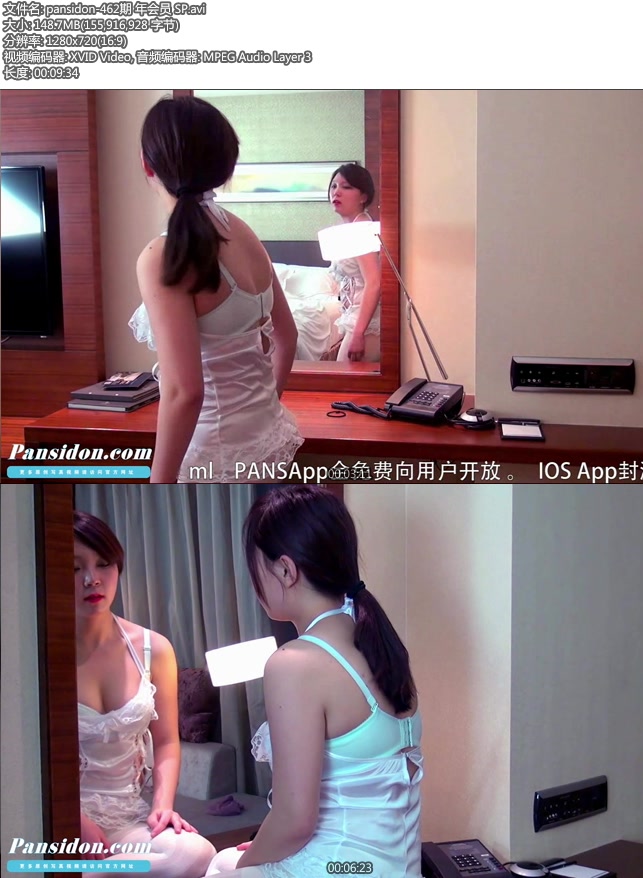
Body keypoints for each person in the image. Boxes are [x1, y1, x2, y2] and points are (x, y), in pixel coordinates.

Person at [205, 486, 423, 877]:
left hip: (337, 866)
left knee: (224, 866)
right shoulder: (381, 645)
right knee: (223, 860)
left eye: (254, 567)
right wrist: (263, 849)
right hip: (395, 866)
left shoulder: (294, 664)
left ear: (285, 570)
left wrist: (246, 864)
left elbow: (294, 821)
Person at [129, 96, 303, 483]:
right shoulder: (242, 232)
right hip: (267, 440)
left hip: (212, 452)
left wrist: (160, 482)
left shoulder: (162, 257)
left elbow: (184, 392)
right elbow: (287, 336)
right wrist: (262, 408)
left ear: (146, 164)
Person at [74, 510, 216, 877]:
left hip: (128, 821)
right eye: (74, 568)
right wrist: (72, 820)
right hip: (61, 821)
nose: (92, 579)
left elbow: (166, 741)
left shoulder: (154, 648)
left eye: (104, 564)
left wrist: (162, 806)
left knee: (195, 853)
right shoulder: (36, 655)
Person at [326, 163, 381, 363]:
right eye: (334, 186)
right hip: (357, 318)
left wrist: (358, 333)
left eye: (346, 187)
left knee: (344, 377)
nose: (336, 192)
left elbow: (374, 283)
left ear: (363, 196)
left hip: (367, 323)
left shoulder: (361, 229)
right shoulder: (351, 228)